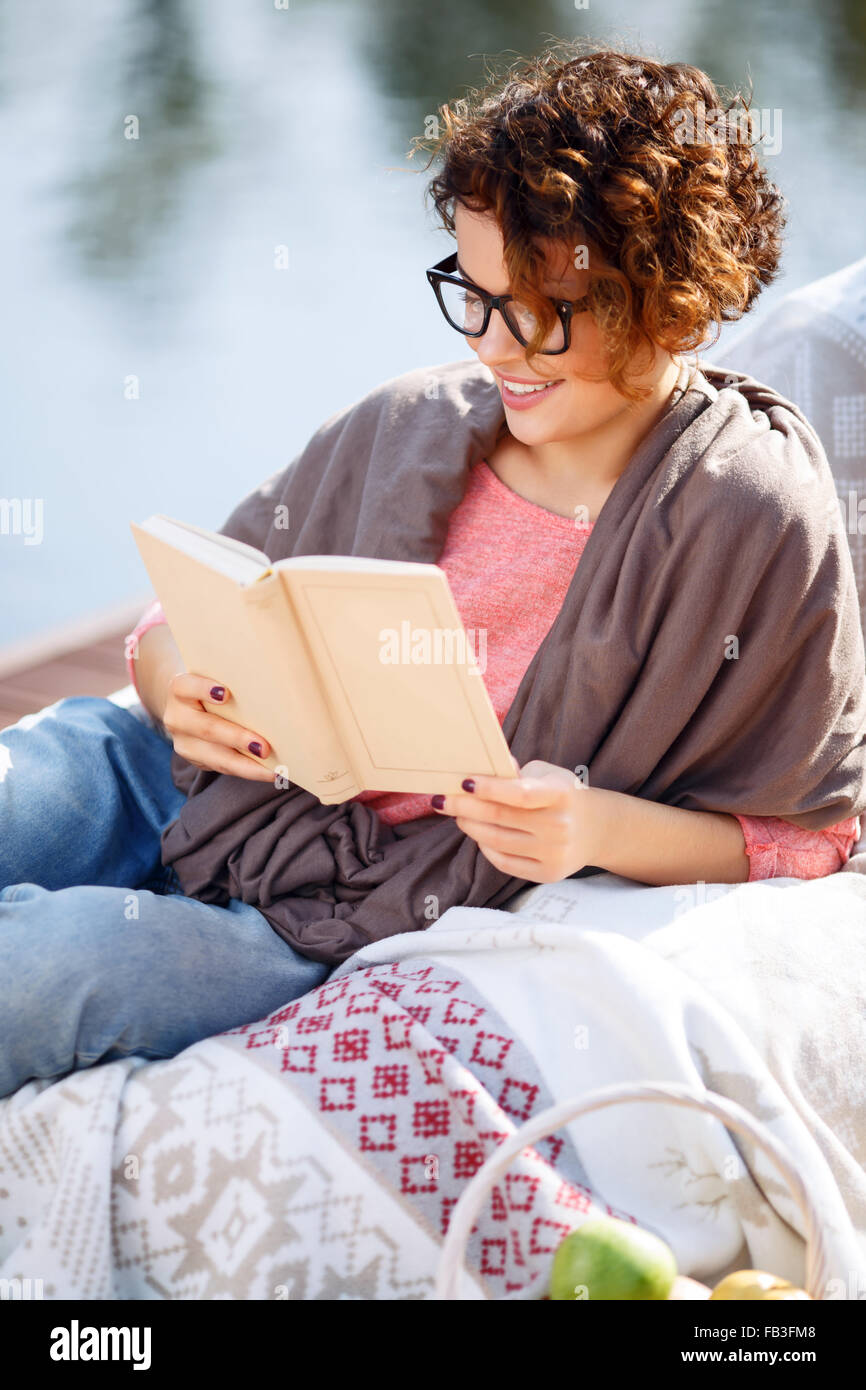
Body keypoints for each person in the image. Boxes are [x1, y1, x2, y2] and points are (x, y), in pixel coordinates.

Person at [1, 44, 863, 1100]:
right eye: (472, 289)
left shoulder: (746, 509)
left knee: (50, 969)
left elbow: (804, 836)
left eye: (539, 311)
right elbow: (196, 603)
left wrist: (596, 828)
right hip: (174, 773)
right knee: (27, 785)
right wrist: (175, 677)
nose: (493, 344)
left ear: (670, 306)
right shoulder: (414, 420)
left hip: (343, 914)